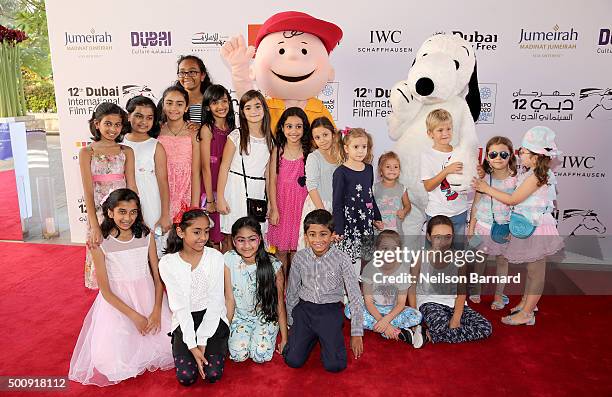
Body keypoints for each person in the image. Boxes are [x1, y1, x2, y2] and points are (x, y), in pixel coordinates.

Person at [69, 189, 173, 386]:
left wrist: (157, 311)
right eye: (122, 212)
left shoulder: (146, 235)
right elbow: (106, 291)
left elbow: (158, 279)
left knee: (169, 346)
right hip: (119, 305)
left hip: (148, 300)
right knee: (115, 362)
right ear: (110, 212)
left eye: (133, 212)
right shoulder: (101, 243)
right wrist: (134, 317)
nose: (128, 218)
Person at [472, 126, 564, 326]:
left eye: (524, 151)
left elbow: (513, 199)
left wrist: (487, 188)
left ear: (535, 156)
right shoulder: (531, 173)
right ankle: (525, 303)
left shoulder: (538, 176)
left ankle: (528, 312)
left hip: (537, 227)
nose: (520, 154)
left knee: (536, 271)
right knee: (532, 270)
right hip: (528, 225)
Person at [284, 209, 364, 372]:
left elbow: (355, 295)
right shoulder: (300, 257)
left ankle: (324, 336)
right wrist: (292, 324)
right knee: (292, 360)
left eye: (323, 234)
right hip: (305, 311)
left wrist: (357, 333)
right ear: (305, 236)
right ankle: (311, 336)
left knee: (335, 365)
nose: (318, 240)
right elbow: (292, 291)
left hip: (330, 311)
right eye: (312, 234)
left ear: (332, 235)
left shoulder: (342, 259)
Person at [159, 208, 229, 385]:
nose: (203, 237)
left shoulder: (215, 257)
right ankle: (179, 343)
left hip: (212, 318)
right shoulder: (167, 263)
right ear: (180, 232)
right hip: (184, 321)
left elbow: (216, 302)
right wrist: (191, 344)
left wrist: (203, 341)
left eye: (206, 231)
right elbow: (180, 307)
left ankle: (219, 344)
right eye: (197, 232)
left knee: (213, 373)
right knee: (186, 377)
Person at [409, 215, 492, 345]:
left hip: (454, 304)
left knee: (485, 327)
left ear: (453, 236)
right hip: (429, 303)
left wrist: (456, 318)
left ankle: (429, 336)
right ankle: (439, 332)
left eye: (448, 236)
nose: (443, 241)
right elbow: (412, 289)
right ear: (429, 237)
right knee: (440, 325)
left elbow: (461, 292)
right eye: (437, 237)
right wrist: (414, 318)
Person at [79, 102, 137, 289]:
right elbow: (88, 190)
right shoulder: (87, 152)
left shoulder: (126, 151)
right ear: (97, 124)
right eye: (108, 124)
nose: (113, 129)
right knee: (102, 258)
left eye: (117, 124)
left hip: (124, 212)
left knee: (122, 258)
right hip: (99, 213)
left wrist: (136, 215)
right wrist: (94, 224)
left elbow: (132, 186)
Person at [224, 216, 288, 363]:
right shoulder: (229, 259)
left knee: (260, 355)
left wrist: (285, 338)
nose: (247, 245)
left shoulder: (273, 265)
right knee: (238, 355)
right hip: (239, 317)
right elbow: (229, 299)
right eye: (241, 240)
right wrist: (223, 332)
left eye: (252, 239)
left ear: (259, 239)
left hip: (265, 317)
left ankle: (262, 337)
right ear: (234, 241)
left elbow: (279, 303)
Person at [346, 230, 423, 348]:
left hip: (392, 311)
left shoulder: (403, 271)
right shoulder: (369, 269)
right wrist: (385, 324)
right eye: (385, 248)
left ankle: (382, 327)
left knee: (417, 316)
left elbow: (401, 303)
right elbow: (368, 302)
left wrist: (386, 320)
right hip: (371, 309)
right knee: (350, 309)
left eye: (394, 249)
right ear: (377, 250)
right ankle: (392, 330)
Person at [217, 90, 274, 250]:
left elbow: (269, 175)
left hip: (257, 192)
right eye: (248, 108)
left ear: (264, 108)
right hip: (235, 190)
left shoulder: (271, 140)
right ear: (242, 112)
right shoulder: (236, 135)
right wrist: (220, 197)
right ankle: (228, 274)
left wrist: (270, 202)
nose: (254, 111)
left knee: (255, 237)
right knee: (231, 236)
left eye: (257, 106)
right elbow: (224, 167)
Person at [467, 136, 517, 309]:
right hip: (482, 227)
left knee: (502, 262)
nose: (498, 158)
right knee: (480, 260)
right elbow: (475, 204)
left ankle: (498, 295)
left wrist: (514, 229)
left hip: (504, 229)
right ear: (487, 156)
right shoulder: (483, 179)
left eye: (503, 154)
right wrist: (471, 228)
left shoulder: (515, 180)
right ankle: (475, 289)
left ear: (511, 155)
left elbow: (517, 207)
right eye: (493, 154)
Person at [123, 96, 171, 256]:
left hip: (152, 204)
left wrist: (165, 215)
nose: (144, 121)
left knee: (154, 250)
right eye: (138, 116)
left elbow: (164, 183)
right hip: (125, 203)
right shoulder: (119, 143)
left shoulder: (156, 146)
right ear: (128, 116)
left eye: (149, 117)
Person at [267, 107, 311, 278]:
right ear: (282, 128)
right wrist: (274, 208)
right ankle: (281, 291)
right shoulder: (278, 151)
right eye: (289, 126)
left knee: (298, 252)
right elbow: (272, 181)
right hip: (282, 206)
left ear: (304, 129)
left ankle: (294, 292)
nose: (294, 131)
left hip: (301, 207)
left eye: (298, 126)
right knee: (282, 251)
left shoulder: (309, 152)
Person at [333, 127, 383, 273]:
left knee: (366, 261)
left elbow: (370, 195)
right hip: (349, 224)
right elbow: (337, 203)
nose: (361, 151)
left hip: (365, 223)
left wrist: (376, 217)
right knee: (349, 264)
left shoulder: (368, 169)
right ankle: (347, 293)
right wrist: (339, 228)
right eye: (356, 147)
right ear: (346, 148)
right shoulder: (340, 172)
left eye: (364, 147)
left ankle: (363, 291)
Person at [420, 109, 469, 238]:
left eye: (448, 129)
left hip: (460, 211)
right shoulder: (427, 156)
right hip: (437, 213)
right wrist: (447, 170)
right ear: (430, 133)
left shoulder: (460, 152)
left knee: (457, 253)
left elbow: (468, 179)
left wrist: (477, 174)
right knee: (436, 253)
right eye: (440, 130)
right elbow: (428, 186)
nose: (445, 133)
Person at [199, 84, 236, 251]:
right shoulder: (207, 129)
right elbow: (205, 167)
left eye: (224, 101)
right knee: (213, 238)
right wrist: (210, 199)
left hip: (229, 185)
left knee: (229, 234)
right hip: (211, 185)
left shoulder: (233, 129)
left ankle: (227, 275)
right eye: (215, 103)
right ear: (208, 106)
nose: (221, 106)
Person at [297, 116, 342, 250]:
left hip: (336, 207)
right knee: (314, 247)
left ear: (333, 134)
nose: (322, 140)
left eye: (325, 135)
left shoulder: (341, 156)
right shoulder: (313, 157)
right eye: (317, 137)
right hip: (318, 206)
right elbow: (311, 186)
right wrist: (323, 214)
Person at [157, 85, 201, 220]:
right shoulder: (156, 131)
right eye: (169, 103)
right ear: (163, 105)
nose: (174, 108)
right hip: (161, 189)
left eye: (179, 104)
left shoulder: (193, 132)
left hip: (185, 189)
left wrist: (194, 205)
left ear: (186, 107)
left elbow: (196, 171)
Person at [374, 151, 411, 234]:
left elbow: (408, 205)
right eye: (388, 166)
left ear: (399, 171)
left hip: (396, 231)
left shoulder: (402, 188)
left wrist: (404, 211)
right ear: (380, 171)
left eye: (395, 167)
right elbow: (369, 207)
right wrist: (373, 221)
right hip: (379, 230)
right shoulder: (374, 188)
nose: (392, 169)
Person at [176, 55, 212, 125]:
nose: (186, 76)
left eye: (192, 72)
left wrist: (201, 130)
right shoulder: (168, 101)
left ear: (202, 75)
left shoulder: (212, 103)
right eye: (182, 72)